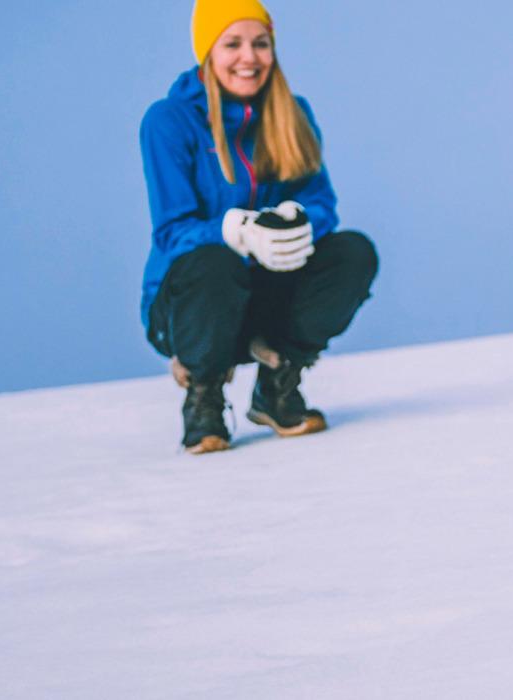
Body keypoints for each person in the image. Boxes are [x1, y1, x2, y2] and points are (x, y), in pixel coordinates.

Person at [140, 0, 378, 453]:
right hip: (191, 306)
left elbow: (321, 202)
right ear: (207, 51)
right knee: (214, 262)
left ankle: (278, 382)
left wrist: (296, 220)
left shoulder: (292, 113)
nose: (249, 57)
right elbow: (172, 232)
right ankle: (204, 398)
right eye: (232, 43)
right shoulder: (169, 121)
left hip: (263, 295)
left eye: (261, 43)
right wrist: (236, 230)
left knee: (352, 252)